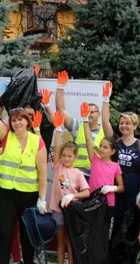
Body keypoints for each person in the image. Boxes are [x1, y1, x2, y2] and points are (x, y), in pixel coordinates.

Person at [0, 84, 47, 264]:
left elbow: (42, 173)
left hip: (28, 194)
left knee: (27, 234)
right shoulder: (6, 135)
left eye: (21, 120)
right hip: (6, 193)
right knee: (5, 232)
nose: (17, 123)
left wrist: (42, 198)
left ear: (27, 121)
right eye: (14, 120)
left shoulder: (37, 142)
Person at [99, 84, 140, 237]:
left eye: (128, 123)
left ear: (135, 125)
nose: (124, 126)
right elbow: (106, 122)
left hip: (133, 193)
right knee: (115, 229)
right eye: (122, 123)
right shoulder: (116, 142)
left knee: (131, 230)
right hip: (117, 192)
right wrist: (106, 99)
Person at [50, 112, 90, 264]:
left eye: (69, 156)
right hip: (58, 209)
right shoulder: (58, 167)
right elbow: (58, 148)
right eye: (64, 156)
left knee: (70, 241)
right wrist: (59, 130)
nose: (66, 159)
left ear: (75, 156)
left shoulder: (78, 174)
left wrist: (73, 196)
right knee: (60, 241)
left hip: (71, 210)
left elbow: (86, 192)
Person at [82, 102, 124, 239]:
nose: (101, 149)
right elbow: (88, 139)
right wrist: (85, 121)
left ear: (112, 151)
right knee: (91, 233)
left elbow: (121, 187)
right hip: (93, 201)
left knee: (104, 234)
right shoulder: (94, 160)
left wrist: (112, 188)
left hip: (109, 203)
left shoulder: (115, 166)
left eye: (105, 147)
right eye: (101, 146)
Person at [55, 71, 105, 177]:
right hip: (76, 174)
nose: (89, 115)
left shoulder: (104, 132)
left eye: (92, 112)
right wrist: (60, 87)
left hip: (95, 175)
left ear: (99, 114)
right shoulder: (77, 126)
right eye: (87, 112)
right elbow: (61, 110)